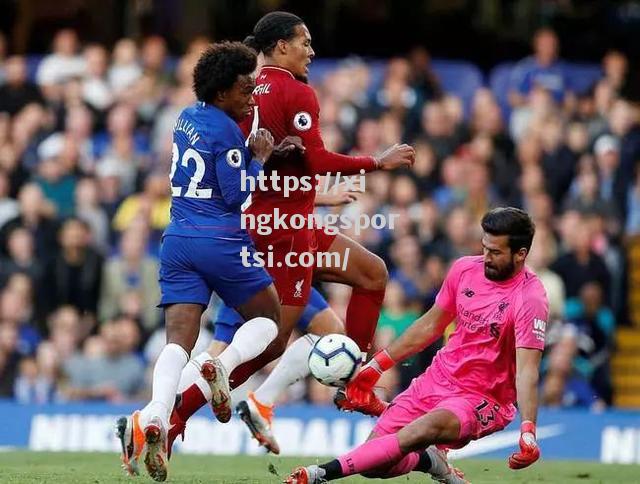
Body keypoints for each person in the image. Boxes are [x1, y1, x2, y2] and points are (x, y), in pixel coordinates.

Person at [170, 11, 415, 446]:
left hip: (271, 221)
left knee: (371, 273)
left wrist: (314, 197)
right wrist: (377, 161)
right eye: (305, 42)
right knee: (269, 343)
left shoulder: (244, 94)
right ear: (281, 46)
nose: (312, 51)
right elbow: (316, 160)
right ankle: (174, 416)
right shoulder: (295, 91)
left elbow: (266, 167)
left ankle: (353, 381)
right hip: (284, 234)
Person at [117, 42, 286, 482]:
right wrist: (258, 158)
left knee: (177, 339)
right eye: (245, 87)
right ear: (224, 90)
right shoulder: (227, 132)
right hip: (219, 238)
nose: (251, 94)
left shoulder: (186, 116)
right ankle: (221, 367)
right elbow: (237, 194)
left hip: (177, 238)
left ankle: (154, 415)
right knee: (269, 319)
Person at [285, 207, 549, 483]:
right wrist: (376, 366)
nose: (486, 258)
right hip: (438, 379)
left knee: (420, 430)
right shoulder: (464, 270)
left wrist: (528, 430)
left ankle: (319, 474)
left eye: (495, 252)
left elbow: (527, 370)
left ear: (520, 254)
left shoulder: (530, 299)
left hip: (483, 398)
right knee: (376, 465)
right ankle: (431, 460)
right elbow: (429, 326)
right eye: (484, 248)